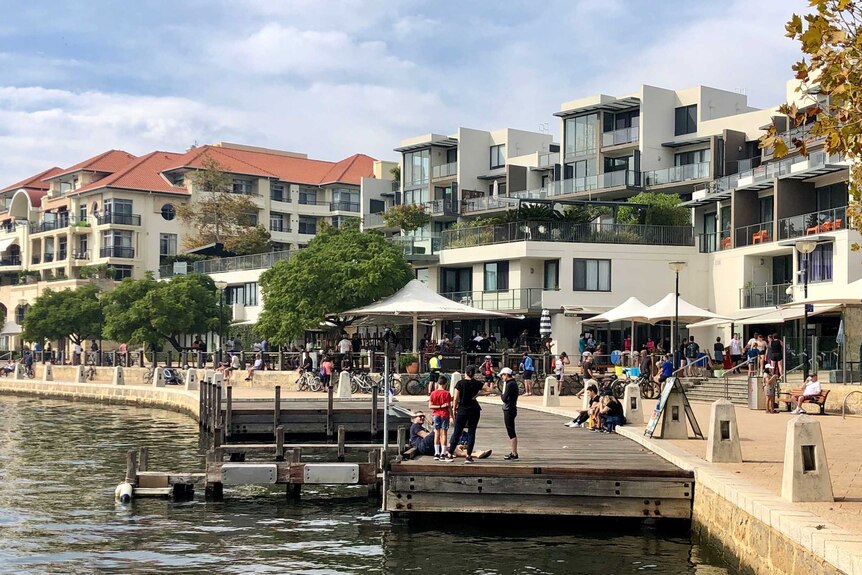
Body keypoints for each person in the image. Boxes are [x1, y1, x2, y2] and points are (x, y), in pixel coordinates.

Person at [447, 365, 492, 464]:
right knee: (472, 433)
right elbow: (489, 390)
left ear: (465, 373)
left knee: (457, 432)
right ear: (473, 373)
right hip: (474, 409)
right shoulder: (477, 383)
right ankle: (468, 456)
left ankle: (450, 454)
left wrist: (454, 410)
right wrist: (478, 394)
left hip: (462, 410)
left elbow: (455, 398)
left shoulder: (460, 383)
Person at [409, 411, 491, 460]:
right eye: (420, 416)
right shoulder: (415, 426)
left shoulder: (420, 426)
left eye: (423, 416)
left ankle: (475, 453)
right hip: (421, 447)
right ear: (414, 418)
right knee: (438, 430)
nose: (422, 418)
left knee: (452, 449)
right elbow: (426, 436)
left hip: (427, 447)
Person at [428, 377, 453, 460]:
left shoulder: (433, 393)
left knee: (436, 433)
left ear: (438, 383)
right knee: (444, 433)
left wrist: (438, 407)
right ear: (445, 384)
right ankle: (443, 452)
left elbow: (430, 406)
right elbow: (449, 407)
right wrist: (452, 416)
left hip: (436, 414)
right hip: (444, 415)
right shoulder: (447, 393)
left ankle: (436, 452)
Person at [500, 367, 520, 460]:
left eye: (502, 375)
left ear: (507, 375)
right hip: (511, 408)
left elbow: (504, 398)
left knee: (511, 431)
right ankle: (513, 452)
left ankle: (514, 453)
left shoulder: (510, 384)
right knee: (510, 430)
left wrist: (502, 395)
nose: (502, 377)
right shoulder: (513, 383)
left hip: (509, 409)